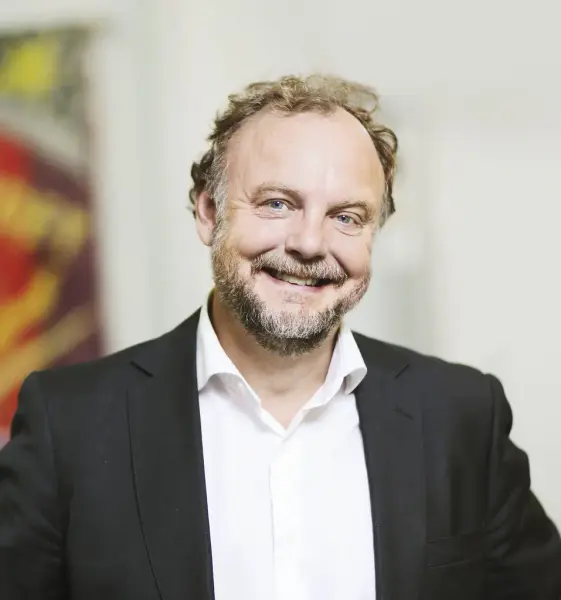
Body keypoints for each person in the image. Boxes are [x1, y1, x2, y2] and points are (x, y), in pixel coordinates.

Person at [0, 74, 560, 600]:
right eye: (277, 204)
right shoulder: (69, 426)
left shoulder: (461, 418)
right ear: (208, 211)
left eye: (347, 216)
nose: (310, 244)